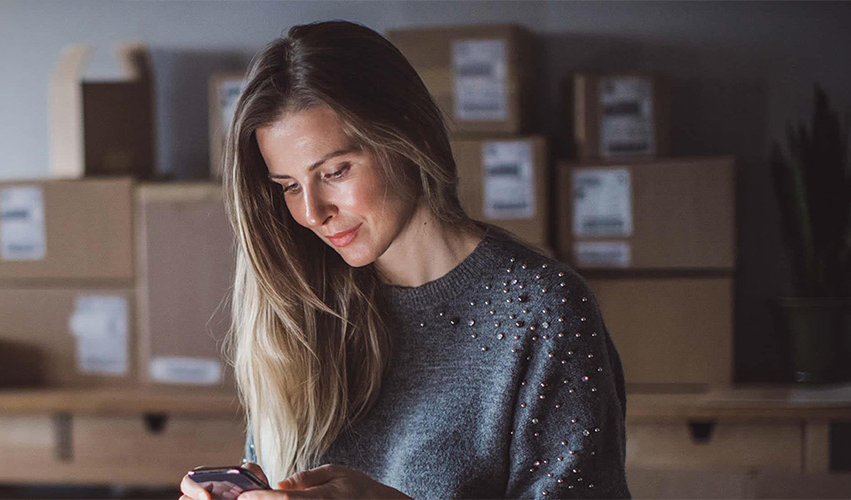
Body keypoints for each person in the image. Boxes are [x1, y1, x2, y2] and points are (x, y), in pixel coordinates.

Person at [178, 20, 630, 499]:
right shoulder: (301, 304)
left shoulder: (542, 310)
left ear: (407, 137)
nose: (311, 213)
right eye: (288, 186)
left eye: (334, 171)